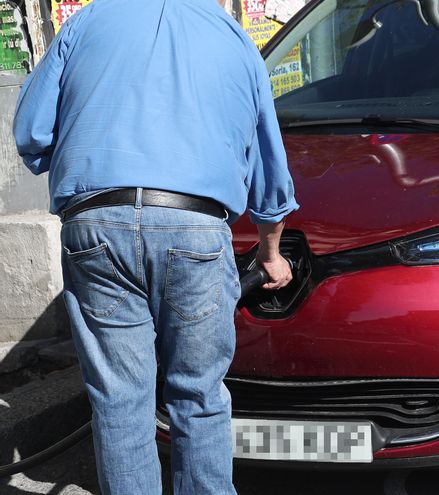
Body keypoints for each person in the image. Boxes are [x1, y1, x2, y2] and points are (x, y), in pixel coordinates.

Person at [12, 0, 297, 492]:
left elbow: (32, 133)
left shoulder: (86, 22)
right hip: (195, 227)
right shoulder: (233, 39)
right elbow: (270, 176)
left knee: (121, 401)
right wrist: (270, 253)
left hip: (96, 222)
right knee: (199, 397)